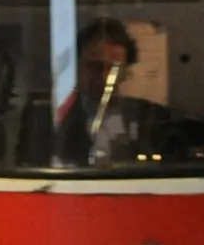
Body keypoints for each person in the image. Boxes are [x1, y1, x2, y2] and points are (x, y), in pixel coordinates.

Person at [52, 18, 170, 166]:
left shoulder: (151, 116)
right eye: (94, 67)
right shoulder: (55, 118)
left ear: (126, 72)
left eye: (114, 69)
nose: (104, 77)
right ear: (76, 68)